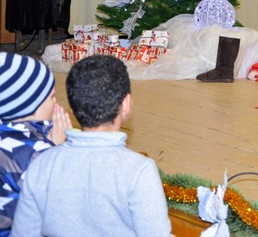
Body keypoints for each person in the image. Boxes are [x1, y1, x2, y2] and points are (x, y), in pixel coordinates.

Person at [11, 55, 171, 236]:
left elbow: (23, 232)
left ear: (73, 108)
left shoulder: (42, 164)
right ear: (126, 104)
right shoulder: (139, 170)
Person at [0, 52, 71, 237]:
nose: (56, 102)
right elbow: (61, 201)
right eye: (52, 97)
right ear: (28, 105)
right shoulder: (37, 154)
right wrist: (57, 150)